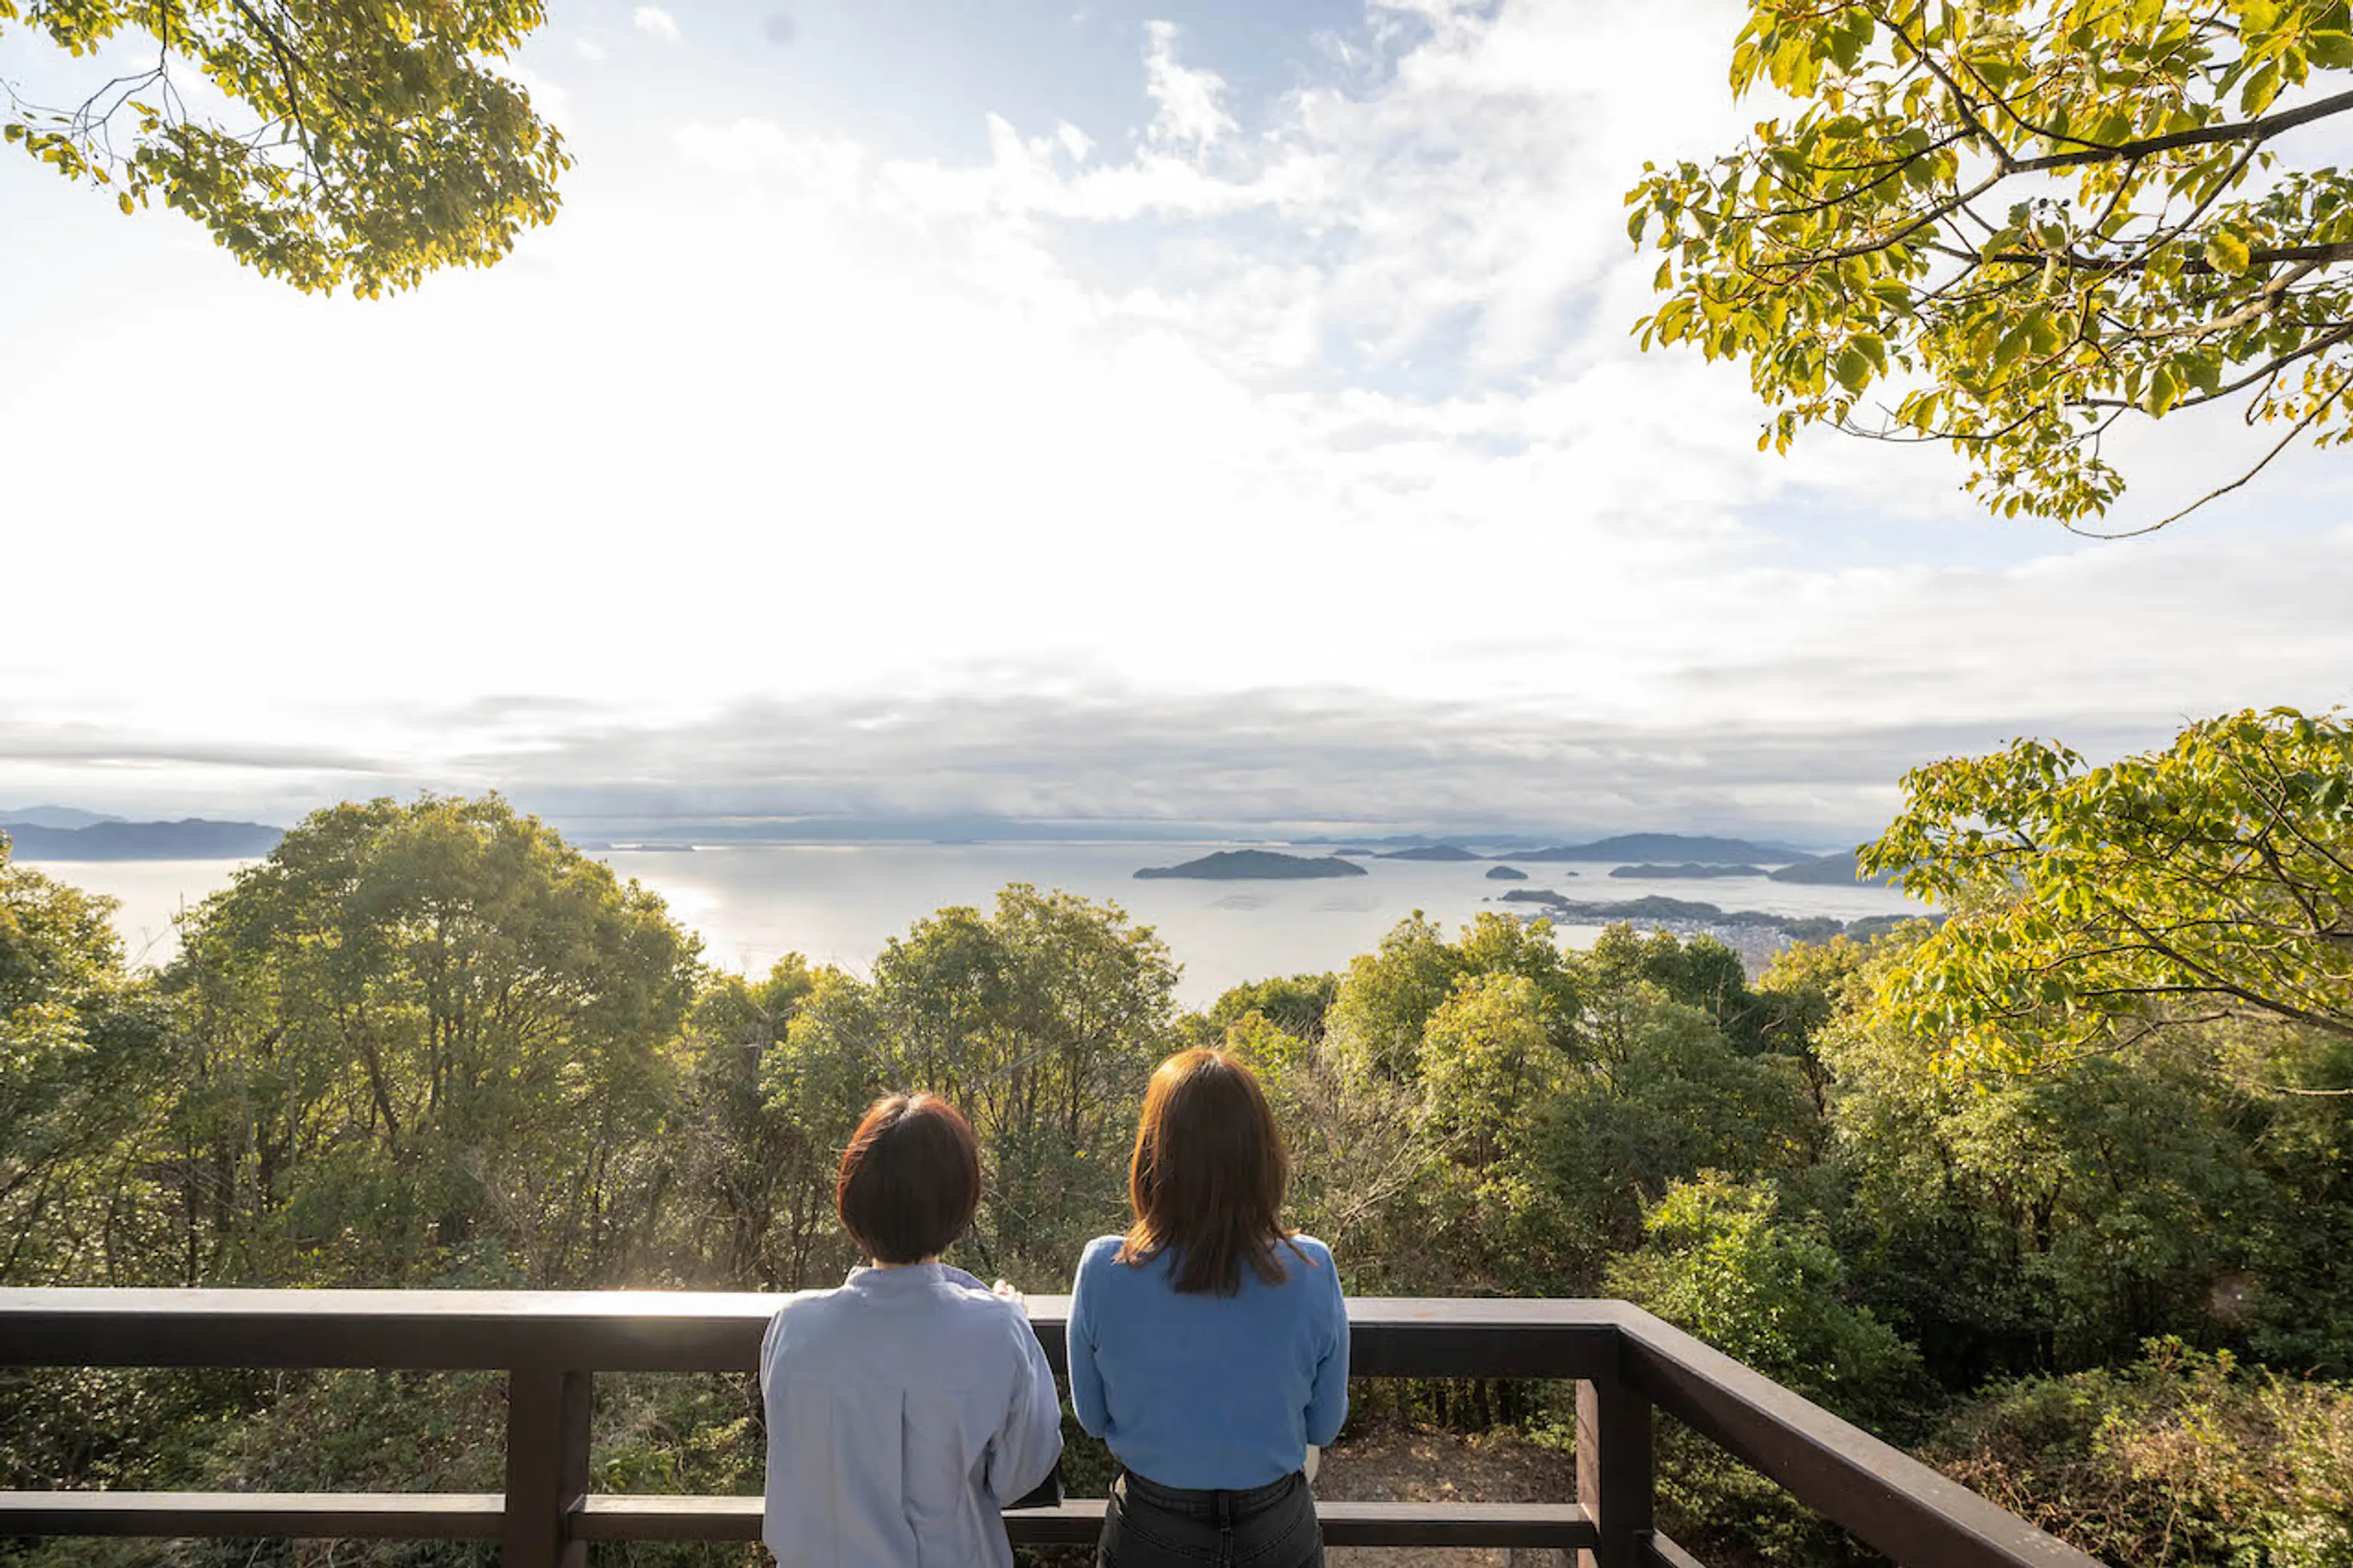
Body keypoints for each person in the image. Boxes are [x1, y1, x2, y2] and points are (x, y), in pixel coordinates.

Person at [1068, 1048, 1349, 1568]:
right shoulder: (1311, 1266)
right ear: (1262, 1157)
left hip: (1150, 1530)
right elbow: (1323, 1426)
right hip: (1275, 1529)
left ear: (1152, 1155)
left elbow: (1092, 1417)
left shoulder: (1103, 1267)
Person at [761, 1093, 1063, 1568]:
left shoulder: (794, 1326)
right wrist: (1009, 1320)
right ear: (960, 1203)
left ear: (851, 1201)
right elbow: (1021, 1473)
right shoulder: (997, 1330)